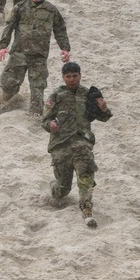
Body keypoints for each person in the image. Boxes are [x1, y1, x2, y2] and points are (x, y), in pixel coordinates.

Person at [42, 62, 112, 226]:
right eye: (68, 76)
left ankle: (87, 211)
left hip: (82, 144)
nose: (72, 79)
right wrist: (50, 125)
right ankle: (55, 188)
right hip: (61, 145)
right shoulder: (56, 96)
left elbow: (103, 117)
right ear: (63, 77)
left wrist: (104, 109)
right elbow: (45, 120)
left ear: (80, 76)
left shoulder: (88, 94)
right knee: (63, 189)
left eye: (75, 76)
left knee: (86, 176)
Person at [0, 0, 71, 116]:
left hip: (38, 56)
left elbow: (60, 30)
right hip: (19, 54)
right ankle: (4, 104)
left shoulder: (51, 10)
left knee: (38, 89)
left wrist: (65, 49)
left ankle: (35, 117)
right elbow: (9, 27)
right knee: (8, 86)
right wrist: (3, 46)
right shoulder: (20, 7)